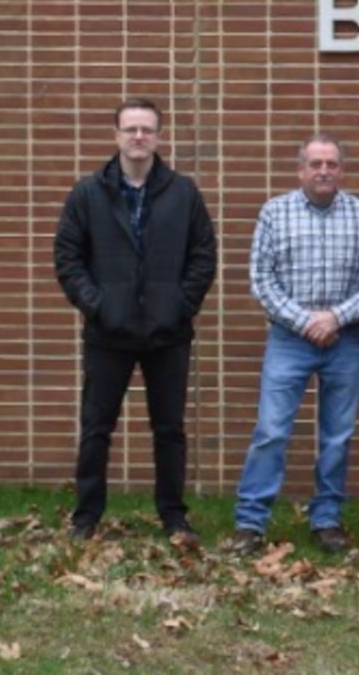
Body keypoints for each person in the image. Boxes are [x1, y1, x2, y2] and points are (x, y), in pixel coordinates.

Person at [53, 98, 218, 543]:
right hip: (109, 332)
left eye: (147, 129)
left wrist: (179, 306)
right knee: (96, 428)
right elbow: (68, 259)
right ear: (117, 136)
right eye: (131, 129)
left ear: (159, 137)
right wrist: (98, 305)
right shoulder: (88, 193)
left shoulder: (183, 193)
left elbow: (203, 257)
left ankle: (173, 515)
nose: (139, 137)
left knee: (169, 429)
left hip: (168, 334)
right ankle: (86, 517)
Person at [229, 135, 359, 557]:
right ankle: (250, 522)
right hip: (288, 339)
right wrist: (305, 321)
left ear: (342, 170)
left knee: (337, 436)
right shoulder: (274, 213)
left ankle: (327, 520)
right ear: (300, 170)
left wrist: (335, 318)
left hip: (345, 339)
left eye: (331, 163)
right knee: (271, 432)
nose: (323, 171)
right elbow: (262, 279)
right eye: (315, 163)